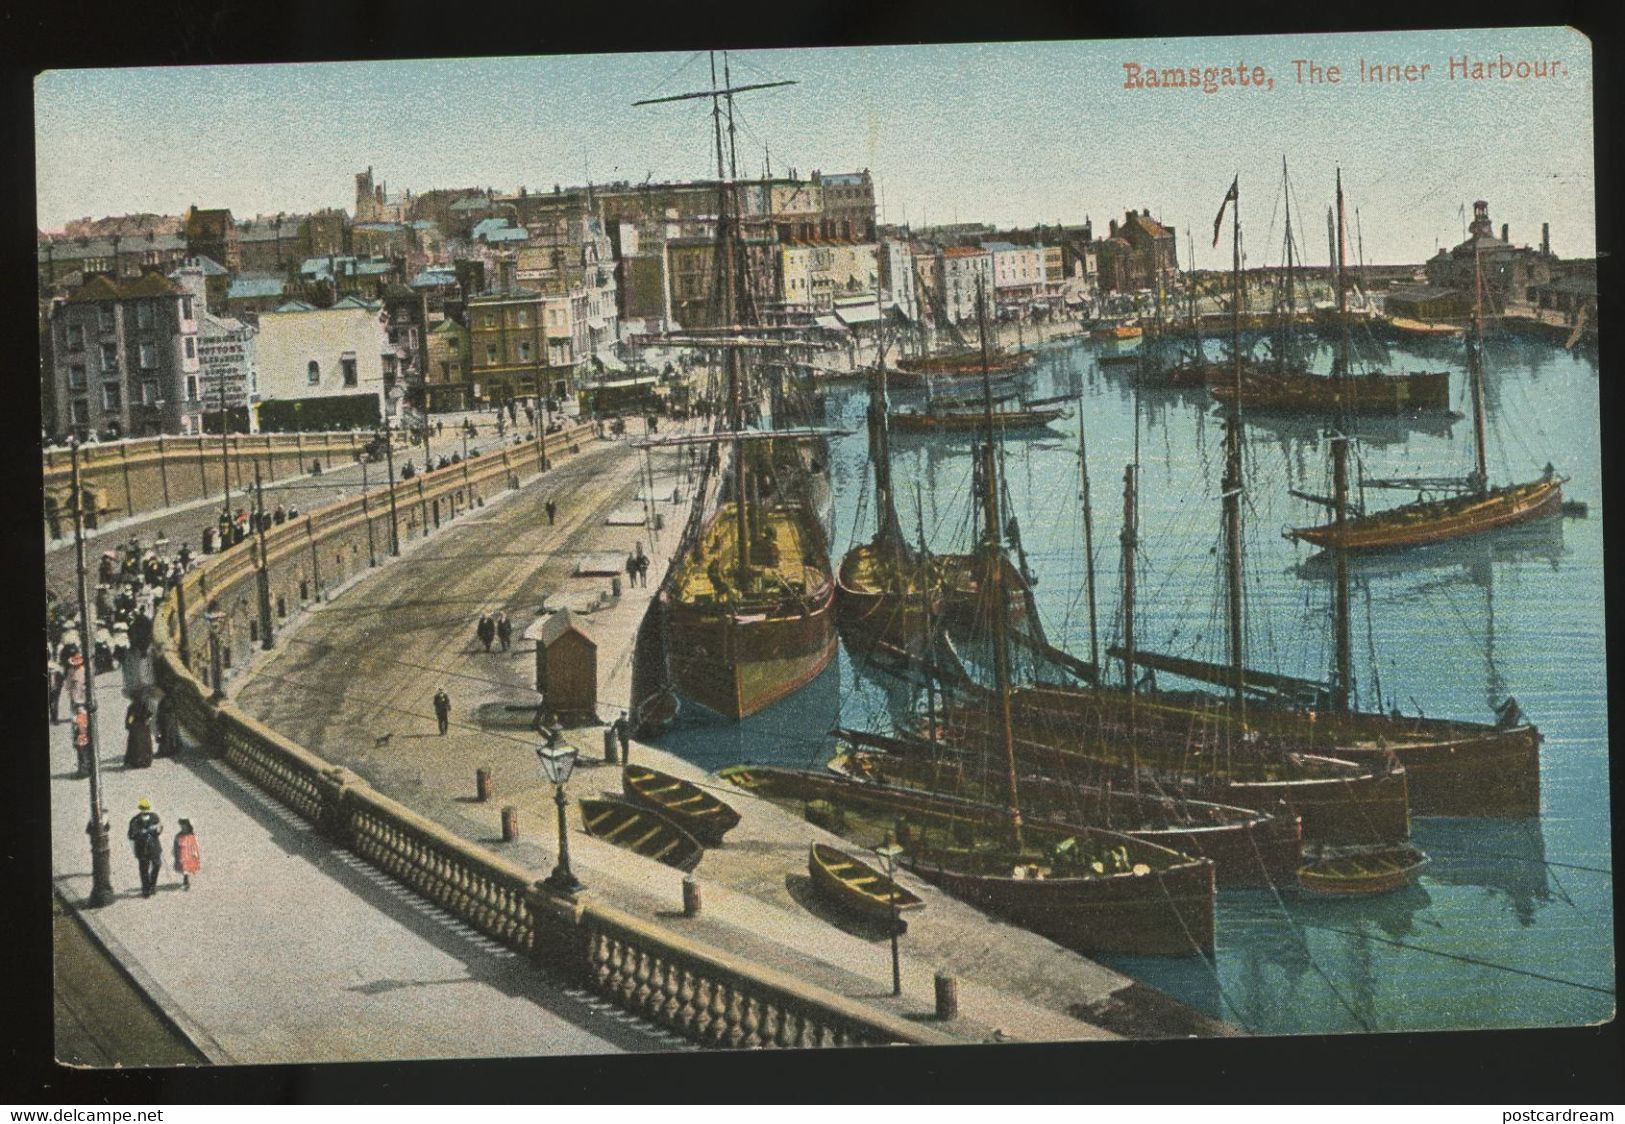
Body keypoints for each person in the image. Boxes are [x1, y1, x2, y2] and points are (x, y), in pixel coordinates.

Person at [127, 799, 163, 898]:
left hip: (154, 847)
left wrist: (157, 829)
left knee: (157, 865)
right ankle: (146, 890)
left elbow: (160, 829)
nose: (145, 811)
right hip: (142, 848)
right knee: (144, 870)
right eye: (143, 809)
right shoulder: (135, 820)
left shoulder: (154, 817)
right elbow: (131, 835)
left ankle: (152, 885)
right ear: (140, 809)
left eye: (147, 809)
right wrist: (141, 832)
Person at [124, 696, 154, 769]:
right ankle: (145, 761)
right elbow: (149, 715)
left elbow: (131, 717)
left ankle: (135, 761)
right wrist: (147, 720)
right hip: (144, 728)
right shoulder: (144, 705)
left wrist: (129, 725)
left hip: (136, 728)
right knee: (144, 745)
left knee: (135, 745)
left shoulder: (132, 707)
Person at [173, 818, 200, 890]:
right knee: (184, 868)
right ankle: (186, 882)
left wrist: (195, 853)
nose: (183, 827)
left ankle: (186, 882)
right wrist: (175, 854)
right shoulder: (178, 835)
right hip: (182, 853)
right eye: (182, 825)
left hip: (189, 854)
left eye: (184, 825)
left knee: (186, 869)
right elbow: (176, 845)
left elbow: (195, 845)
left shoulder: (192, 835)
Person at [47, 656, 64, 724]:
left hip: (54, 687)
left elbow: (61, 678)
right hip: (55, 687)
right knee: (54, 703)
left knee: (52, 703)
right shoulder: (56, 666)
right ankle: (54, 718)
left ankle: (54, 718)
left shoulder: (55, 666)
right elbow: (62, 677)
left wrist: (59, 686)